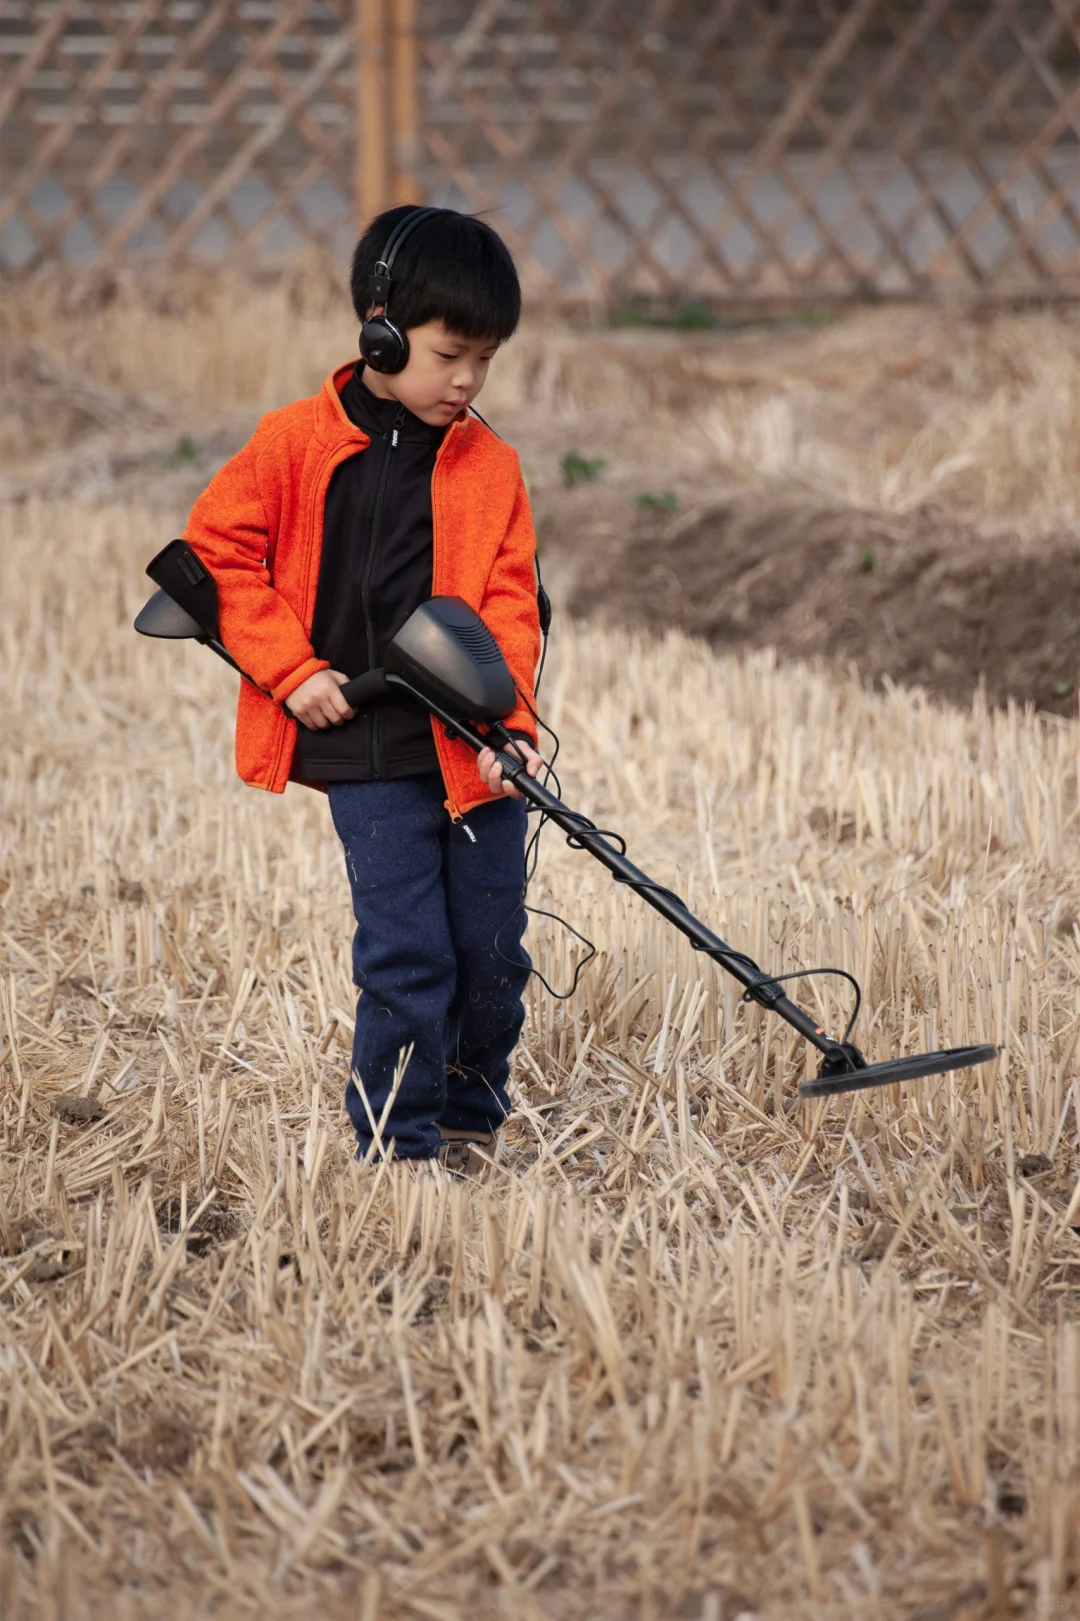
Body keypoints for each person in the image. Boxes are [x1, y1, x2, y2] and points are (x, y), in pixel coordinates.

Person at [184, 206, 545, 1173]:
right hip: (365, 748)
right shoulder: (291, 443)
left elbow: (512, 608)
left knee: (493, 952)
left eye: (486, 361)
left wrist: (510, 726)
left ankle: (472, 1110)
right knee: (408, 954)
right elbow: (214, 555)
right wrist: (292, 671)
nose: (467, 381)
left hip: (468, 748)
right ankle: (397, 1143)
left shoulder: (491, 465)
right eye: (448, 354)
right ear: (380, 330)